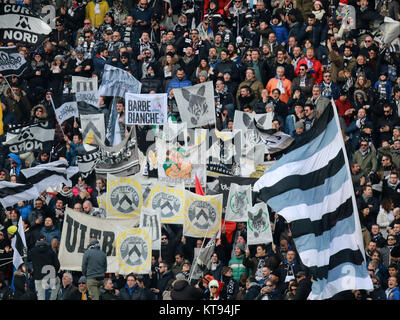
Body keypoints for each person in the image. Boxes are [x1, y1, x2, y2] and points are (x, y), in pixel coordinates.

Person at [27, 235, 60, 300]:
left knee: (40, 297)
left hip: (38, 276)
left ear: (37, 241)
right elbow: (57, 265)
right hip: (50, 275)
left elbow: (26, 260)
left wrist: (30, 270)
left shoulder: (33, 251)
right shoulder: (50, 250)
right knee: (57, 282)